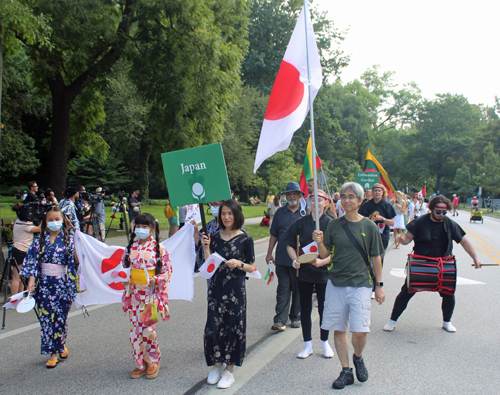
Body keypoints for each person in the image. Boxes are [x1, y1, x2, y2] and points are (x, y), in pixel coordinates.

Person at [313, 182, 385, 389]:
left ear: (361, 201)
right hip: (336, 283)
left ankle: (358, 357)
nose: (346, 200)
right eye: (343, 196)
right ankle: (346, 370)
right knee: (338, 329)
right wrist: (319, 242)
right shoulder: (334, 225)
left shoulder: (369, 227)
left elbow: (376, 258)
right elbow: (326, 254)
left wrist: (379, 286)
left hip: (361, 284)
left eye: (351, 196)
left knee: (360, 331)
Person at [384, 196, 482, 333]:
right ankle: (392, 321)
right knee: (406, 292)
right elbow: (407, 239)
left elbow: (464, 242)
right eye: (438, 212)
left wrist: (475, 258)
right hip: (421, 263)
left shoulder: (450, 224)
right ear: (431, 209)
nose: (441, 215)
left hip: (443, 264)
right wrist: (402, 239)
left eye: (444, 212)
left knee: (449, 294)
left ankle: (447, 322)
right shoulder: (420, 222)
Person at [201, 200, 255, 389]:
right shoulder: (214, 237)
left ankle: (229, 370)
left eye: (230, 214)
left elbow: (251, 266)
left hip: (235, 290)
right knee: (214, 327)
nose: (226, 217)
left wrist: (239, 264)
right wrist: (206, 247)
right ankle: (217, 364)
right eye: (223, 214)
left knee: (233, 327)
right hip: (216, 289)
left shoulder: (245, 239)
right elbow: (208, 266)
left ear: (237, 215)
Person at [20, 206, 77, 368]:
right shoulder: (39, 241)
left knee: (60, 318)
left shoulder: (69, 239)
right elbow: (33, 263)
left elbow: (75, 261)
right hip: (44, 285)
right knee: (46, 319)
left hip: (63, 285)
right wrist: (32, 281)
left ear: (63, 220)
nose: (54, 222)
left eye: (57, 219)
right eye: (50, 220)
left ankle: (60, 344)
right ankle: (53, 353)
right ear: (45, 222)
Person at [283, 190, 334, 359]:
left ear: (325, 203)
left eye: (319, 200)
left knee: (324, 310)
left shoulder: (331, 223)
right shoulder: (301, 223)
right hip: (304, 273)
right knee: (304, 309)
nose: (315, 203)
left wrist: (323, 262)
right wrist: (294, 260)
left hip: (323, 274)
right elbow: (289, 244)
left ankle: (325, 342)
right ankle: (307, 345)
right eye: (312, 200)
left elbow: (336, 251)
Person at [120, 213, 172, 379]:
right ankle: (140, 362)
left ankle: (153, 360)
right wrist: (125, 279)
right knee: (135, 330)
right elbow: (123, 267)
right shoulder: (130, 248)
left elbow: (167, 271)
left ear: (152, 228)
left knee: (148, 329)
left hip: (150, 295)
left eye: (145, 226)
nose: (140, 229)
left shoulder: (159, 249)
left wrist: (155, 279)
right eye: (138, 226)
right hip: (135, 294)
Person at [266, 182, 306, 331]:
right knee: (283, 288)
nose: (292, 196)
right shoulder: (280, 213)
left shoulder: (305, 213)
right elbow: (274, 234)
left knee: (298, 289)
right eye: (289, 194)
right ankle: (279, 320)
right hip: (282, 259)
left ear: (300, 196)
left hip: (300, 260)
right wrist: (270, 252)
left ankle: (295, 317)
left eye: (295, 194)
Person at [10, 203, 41, 295]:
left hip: (23, 251)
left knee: (22, 277)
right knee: (17, 277)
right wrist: (43, 220)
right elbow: (39, 229)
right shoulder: (24, 225)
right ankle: (14, 299)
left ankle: (21, 295)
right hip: (20, 251)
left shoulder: (19, 221)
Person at [358, 183, 395, 256]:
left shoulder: (387, 205)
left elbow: (392, 223)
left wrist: (382, 219)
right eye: (375, 191)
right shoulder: (366, 205)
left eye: (379, 191)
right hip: (368, 234)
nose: (377, 192)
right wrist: (369, 218)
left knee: (379, 258)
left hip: (382, 235)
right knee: (368, 257)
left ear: (382, 193)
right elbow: (358, 218)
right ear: (372, 192)